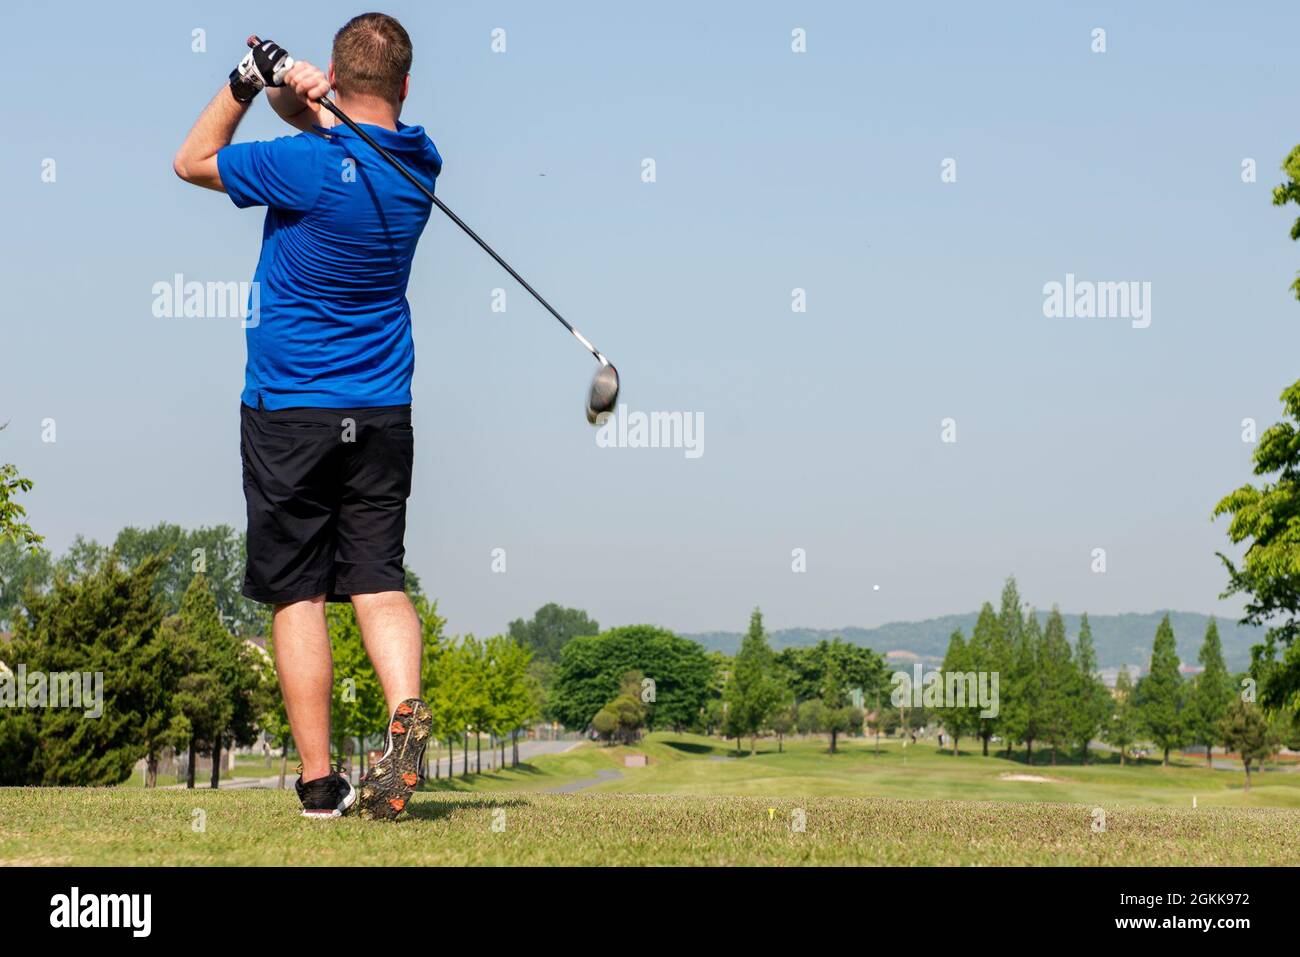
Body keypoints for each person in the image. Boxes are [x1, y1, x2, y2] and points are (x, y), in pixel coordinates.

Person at [173, 14, 439, 820]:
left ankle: (321, 782)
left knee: (295, 593)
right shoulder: (421, 157)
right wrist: (304, 90)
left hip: (291, 410)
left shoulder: (303, 168)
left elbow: (191, 162)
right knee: (377, 580)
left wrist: (246, 83)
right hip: (382, 409)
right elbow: (344, 130)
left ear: (337, 70)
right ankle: (403, 717)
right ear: (404, 85)